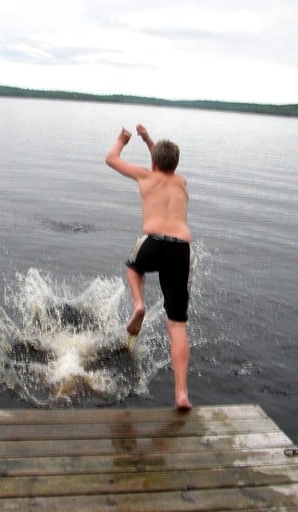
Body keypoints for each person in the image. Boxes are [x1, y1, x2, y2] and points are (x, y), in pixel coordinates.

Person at [105, 125, 193, 411]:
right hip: (180, 247)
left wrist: (122, 140)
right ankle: (181, 394)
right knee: (178, 324)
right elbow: (163, 163)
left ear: (153, 162)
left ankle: (139, 303)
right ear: (175, 164)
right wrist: (148, 140)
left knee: (134, 268)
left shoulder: (145, 176)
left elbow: (111, 159)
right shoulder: (181, 182)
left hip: (153, 241)